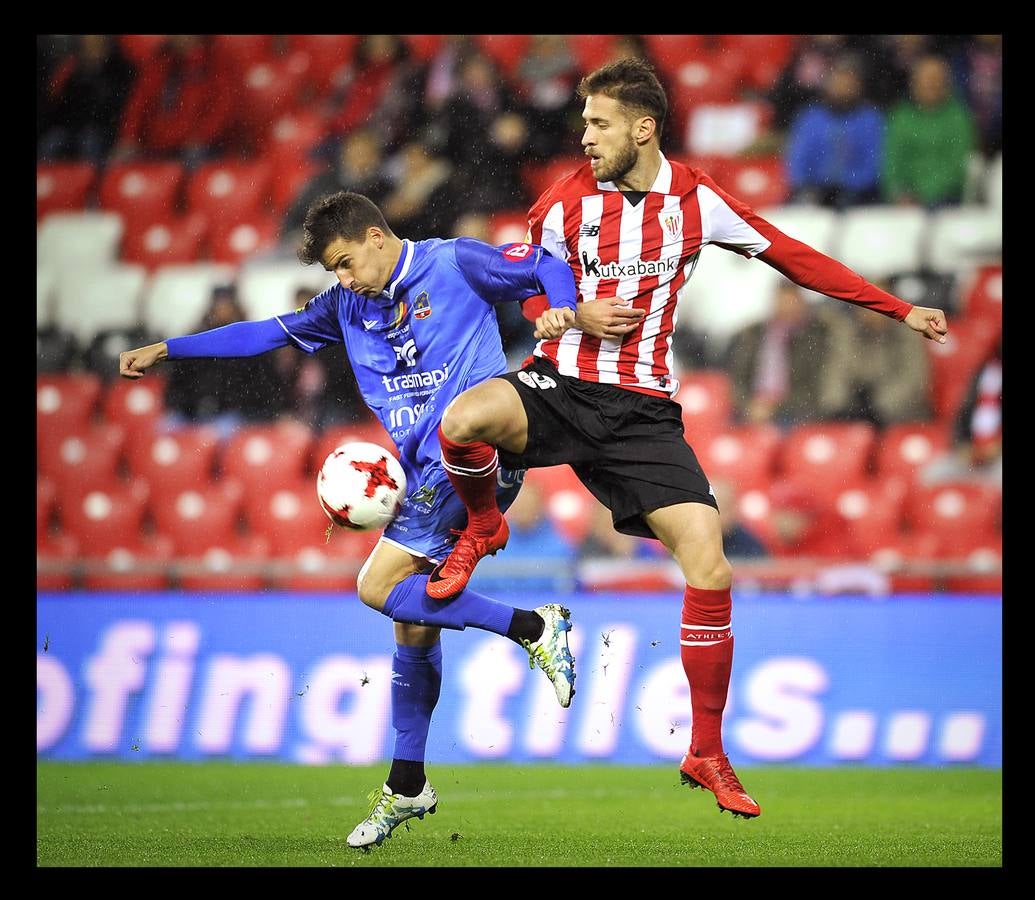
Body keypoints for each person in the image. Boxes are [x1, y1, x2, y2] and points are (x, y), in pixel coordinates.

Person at [429, 57, 948, 820]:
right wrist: (563, 313)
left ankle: (705, 750)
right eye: (583, 123)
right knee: (462, 421)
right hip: (562, 386)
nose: (585, 136)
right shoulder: (564, 202)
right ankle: (482, 523)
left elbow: (792, 256)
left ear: (642, 128)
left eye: (598, 123)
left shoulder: (695, 200)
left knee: (709, 562)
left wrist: (896, 309)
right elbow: (530, 276)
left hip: (641, 411)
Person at [119, 191, 578, 849]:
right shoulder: (344, 305)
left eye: (343, 263)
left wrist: (558, 307)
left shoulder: (454, 264)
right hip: (423, 472)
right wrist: (169, 348)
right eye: (332, 271)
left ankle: (534, 626)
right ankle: (407, 782)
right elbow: (263, 334)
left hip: (472, 455)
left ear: (372, 237)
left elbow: (539, 264)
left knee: (375, 586)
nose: (341, 279)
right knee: (412, 626)